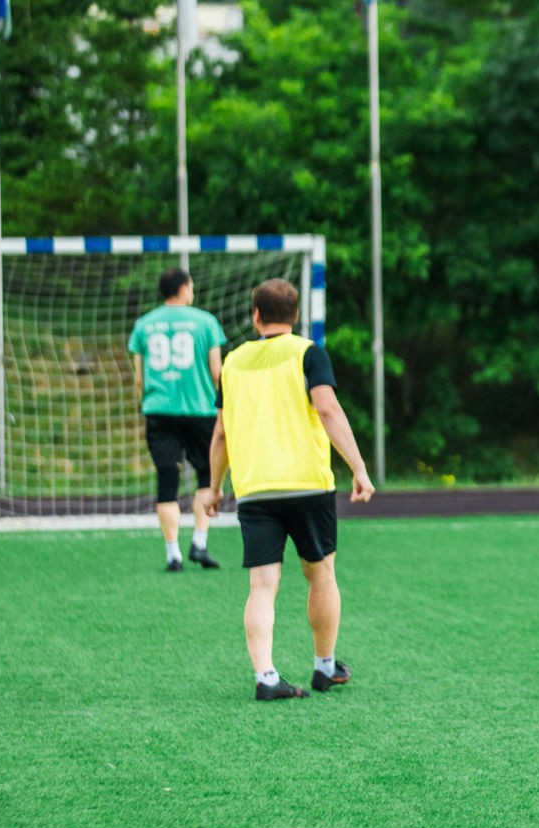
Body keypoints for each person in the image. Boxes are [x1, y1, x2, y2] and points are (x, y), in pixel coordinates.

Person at [206, 279, 375, 701]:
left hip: (254, 489)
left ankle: (265, 677)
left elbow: (221, 433)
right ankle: (324, 666)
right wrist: (358, 467)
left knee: (262, 586)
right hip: (307, 485)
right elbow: (327, 408)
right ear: (296, 315)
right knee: (321, 573)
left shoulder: (233, 362)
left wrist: (214, 487)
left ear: (256, 316)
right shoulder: (308, 352)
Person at [128, 268, 227, 571]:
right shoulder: (205, 322)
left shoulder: (144, 324)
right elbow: (217, 372)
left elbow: (139, 376)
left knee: (167, 480)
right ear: (184, 288)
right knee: (206, 476)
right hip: (200, 410)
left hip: (159, 410)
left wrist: (149, 401)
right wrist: (224, 405)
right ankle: (199, 542)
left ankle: (173, 553)